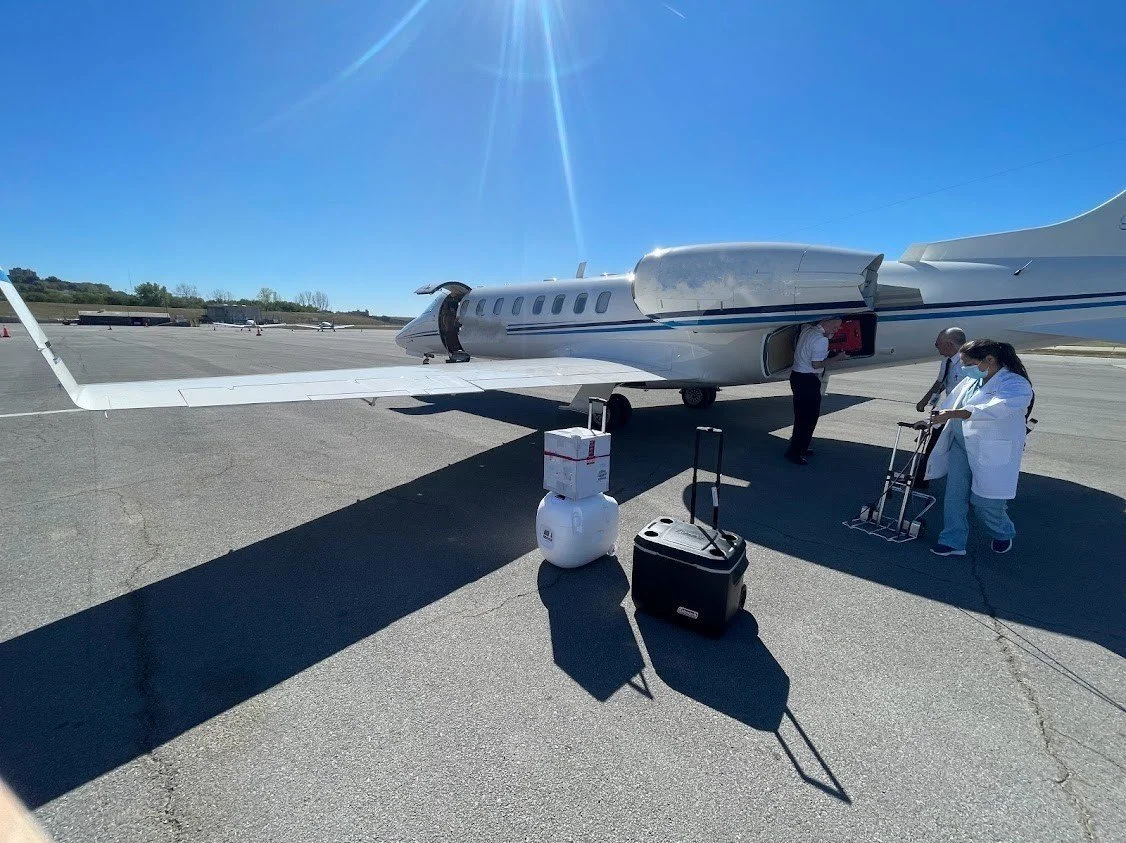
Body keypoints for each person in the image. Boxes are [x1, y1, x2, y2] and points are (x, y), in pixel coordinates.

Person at [925, 339, 1034, 557]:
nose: (964, 368)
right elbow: (952, 404)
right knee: (954, 495)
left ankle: (1002, 532)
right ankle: (953, 540)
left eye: (968, 363)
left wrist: (952, 414)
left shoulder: (1015, 385)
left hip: (990, 449)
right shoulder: (972, 380)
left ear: (989, 360)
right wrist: (933, 419)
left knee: (985, 500)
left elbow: (993, 409)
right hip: (960, 444)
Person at [784, 317, 850, 465]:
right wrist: (839, 357)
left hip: (797, 376)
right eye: (835, 325)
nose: (837, 329)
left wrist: (828, 333)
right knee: (808, 418)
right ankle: (795, 452)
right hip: (808, 380)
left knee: (801, 416)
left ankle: (801, 447)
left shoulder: (808, 330)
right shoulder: (821, 341)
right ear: (826, 322)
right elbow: (816, 364)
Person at [913, 327, 967, 488]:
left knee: (956, 447)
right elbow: (940, 383)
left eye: (938, 345)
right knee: (933, 442)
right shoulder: (947, 361)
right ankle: (920, 480)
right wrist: (925, 400)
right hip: (946, 410)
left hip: (960, 412)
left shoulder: (967, 364)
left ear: (949, 344)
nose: (937, 349)